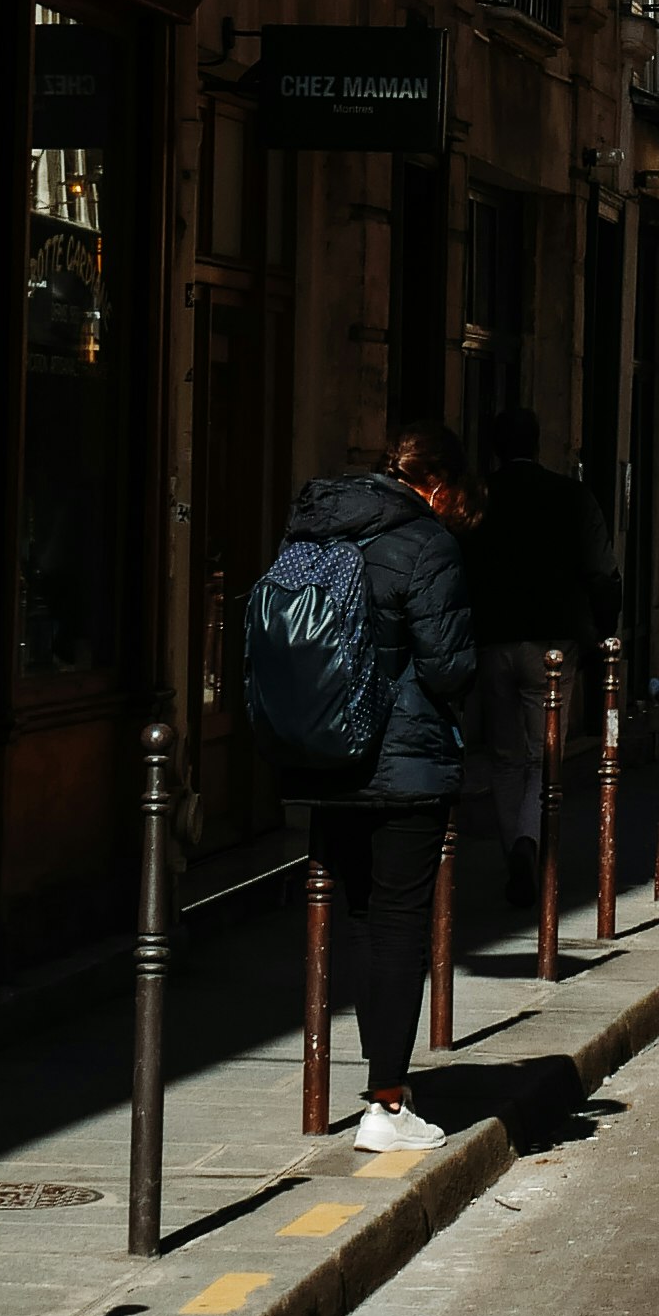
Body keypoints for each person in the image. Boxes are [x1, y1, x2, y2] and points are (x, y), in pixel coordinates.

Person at [267, 420, 477, 1152]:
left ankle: (364, 1088)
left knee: (355, 919)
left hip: (324, 756)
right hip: (403, 763)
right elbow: (449, 667)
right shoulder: (428, 545)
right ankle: (386, 1105)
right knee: (398, 927)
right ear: (438, 487)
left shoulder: (317, 529)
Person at [463, 411, 618, 915]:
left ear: (495, 451)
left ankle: (517, 848)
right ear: (538, 444)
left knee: (505, 755)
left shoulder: (479, 499)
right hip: (554, 640)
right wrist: (603, 630)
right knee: (543, 754)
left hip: (492, 637)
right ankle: (529, 844)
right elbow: (601, 571)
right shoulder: (571, 497)